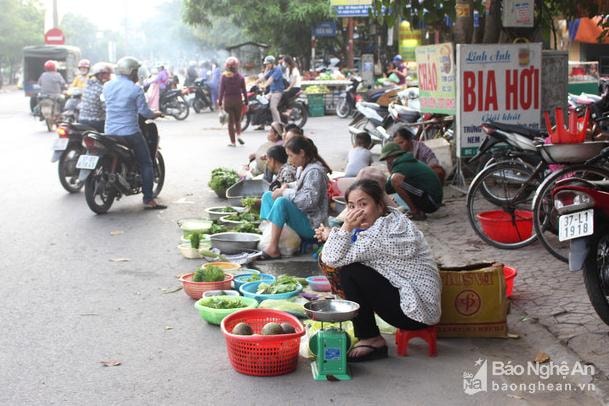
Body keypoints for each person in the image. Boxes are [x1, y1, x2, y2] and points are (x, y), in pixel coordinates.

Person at [314, 179, 441, 362]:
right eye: (351, 206)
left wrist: (346, 226)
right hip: (422, 305)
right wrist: (336, 232)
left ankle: (371, 338)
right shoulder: (393, 219)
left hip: (415, 314)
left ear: (380, 206)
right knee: (352, 266)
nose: (356, 211)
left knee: (350, 271)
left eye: (363, 204)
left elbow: (331, 258)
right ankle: (370, 335)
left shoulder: (379, 236)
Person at [103, 56, 165, 210]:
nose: (138, 74)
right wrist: (155, 114)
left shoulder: (107, 85)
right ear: (131, 72)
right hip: (130, 132)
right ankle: (148, 199)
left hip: (109, 131)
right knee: (146, 163)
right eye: (136, 71)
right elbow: (144, 112)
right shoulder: (135, 89)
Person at [259, 135, 329, 259]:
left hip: (313, 226)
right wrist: (287, 185)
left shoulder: (315, 171)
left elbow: (308, 201)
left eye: (291, 156)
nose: (289, 160)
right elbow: (302, 187)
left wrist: (284, 192)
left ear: (301, 153)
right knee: (268, 196)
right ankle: (269, 235)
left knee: (281, 202)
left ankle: (273, 247)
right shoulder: (306, 168)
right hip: (303, 217)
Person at [380, 142, 442, 221]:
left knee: (395, 180)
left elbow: (391, 185)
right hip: (432, 199)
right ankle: (416, 210)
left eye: (387, 159)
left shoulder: (401, 166)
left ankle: (415, 212)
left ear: (391, 157)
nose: (387, 162)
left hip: (431, 201)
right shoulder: (407, 161)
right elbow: (389, 188)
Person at [218, 56, 247, 147]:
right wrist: (246, 101)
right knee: (238, 120)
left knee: (230, 122)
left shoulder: (224, 77)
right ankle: (238, 135)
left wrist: (219, 102)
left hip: (228, 101)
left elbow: (221, 90)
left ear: (227, 66)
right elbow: (244, 90)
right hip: (238, 100)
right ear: (237, 66)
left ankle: (233, 142)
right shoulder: (240, 77)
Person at [78, 62, 113, 132]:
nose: (109, 77)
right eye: (108, 74)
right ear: (101, 75)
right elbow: (105, 107)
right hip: (96, 122)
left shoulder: (88, 86)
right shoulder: (102, 89)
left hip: (82, 120)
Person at [259, 55, 285, 125]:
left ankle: (279, 124)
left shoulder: (277, 70)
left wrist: (264, 85)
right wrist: (255, 82)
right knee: (262, 102)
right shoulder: (272, 70)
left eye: (268, 64)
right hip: (272, 91)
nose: (267, 65)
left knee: (273, 107)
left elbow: (271, 79)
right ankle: (270, 122)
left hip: (277, 91)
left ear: (272, 63)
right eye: (266, 64)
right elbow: (264, 77)